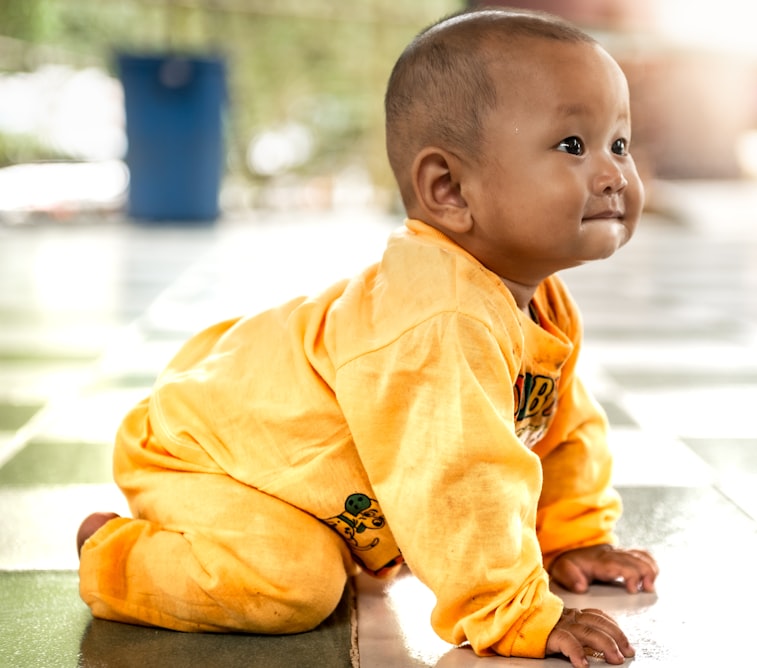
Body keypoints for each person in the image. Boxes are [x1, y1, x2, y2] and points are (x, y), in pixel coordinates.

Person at [77, 8, 657, 667]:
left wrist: (571, 537)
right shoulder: (442, 321)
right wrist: (514, 610)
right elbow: (463, 477)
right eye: (573, 146)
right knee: (297, 583)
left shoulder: (539, 300)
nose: (614, 174)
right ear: (448, 189)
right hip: (214, 459)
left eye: (621, 143)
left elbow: (557, 424)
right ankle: (118, 555)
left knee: (327, 566)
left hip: (288, 470)